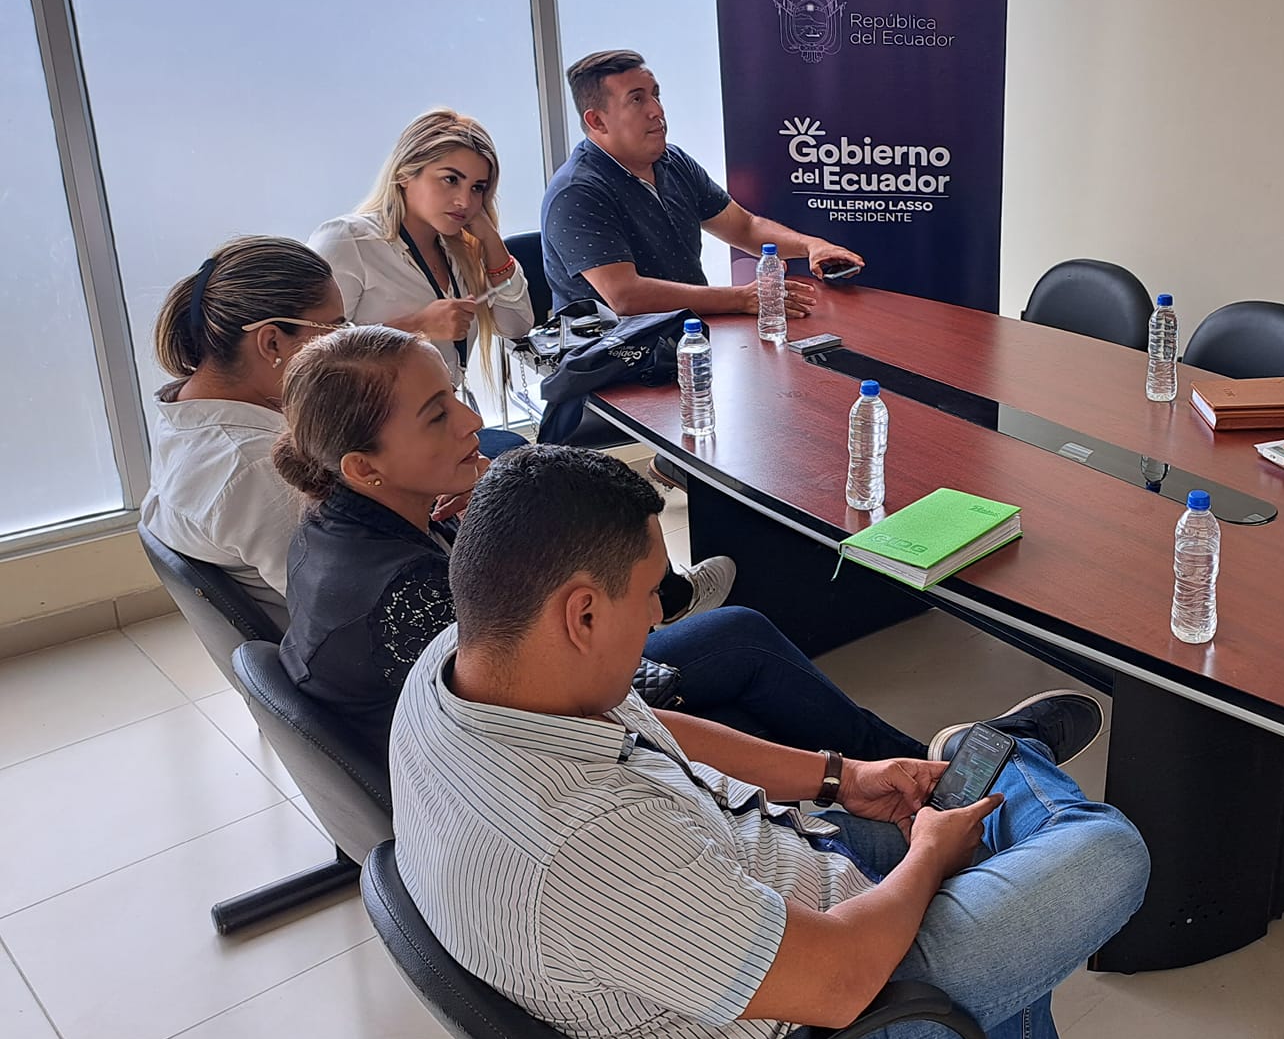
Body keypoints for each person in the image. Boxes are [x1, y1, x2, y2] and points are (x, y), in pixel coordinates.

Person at [389, 443, 1169, 1039]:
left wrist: (843, 777)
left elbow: (654, 727)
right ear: (583, 614)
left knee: (987, 845)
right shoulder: (580, 846)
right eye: (653, 593)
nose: (660, 619)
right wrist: (929, 858)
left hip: (751, 892)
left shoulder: (469, 661)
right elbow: (839, 984)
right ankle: (1005, 758)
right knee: (1103, 850)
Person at [270, 326, 1075, 771]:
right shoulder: (401, 596)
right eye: (437, 416)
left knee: (741, 633)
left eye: (454, 398)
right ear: (365, 466)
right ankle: (926, 776)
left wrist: (469, 504)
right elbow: (547, 714)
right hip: (501, 771)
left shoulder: (347, 516)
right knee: (741, 681)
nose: (472, 422)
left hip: (500, 727)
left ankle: (920, 764)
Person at [540, 49, 865, 318]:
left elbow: (745, 228)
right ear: (597, 120)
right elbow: (625, 296)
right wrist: (741, 299)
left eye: (655, 95)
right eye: (637, 100)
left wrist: (811, 246)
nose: (657, 110)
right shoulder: (577, 191)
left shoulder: (674, 161)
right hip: (612, 363)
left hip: (691, 339)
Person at [138, 237, 349, 632]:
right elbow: (349, 610)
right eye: (333, 331)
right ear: (272, 342)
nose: (342, 348)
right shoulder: (257, 467)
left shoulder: (183, 409)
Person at [310, 108, 534, 454]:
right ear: (405, 173)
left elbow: (516, 326)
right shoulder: (349, 240)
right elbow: (309, 357)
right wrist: (418, 326)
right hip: (370, 435)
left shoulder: (459, 249)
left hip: (440, 423)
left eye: (478, 188)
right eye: (450, 179)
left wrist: (491, 241)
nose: (465, 201)